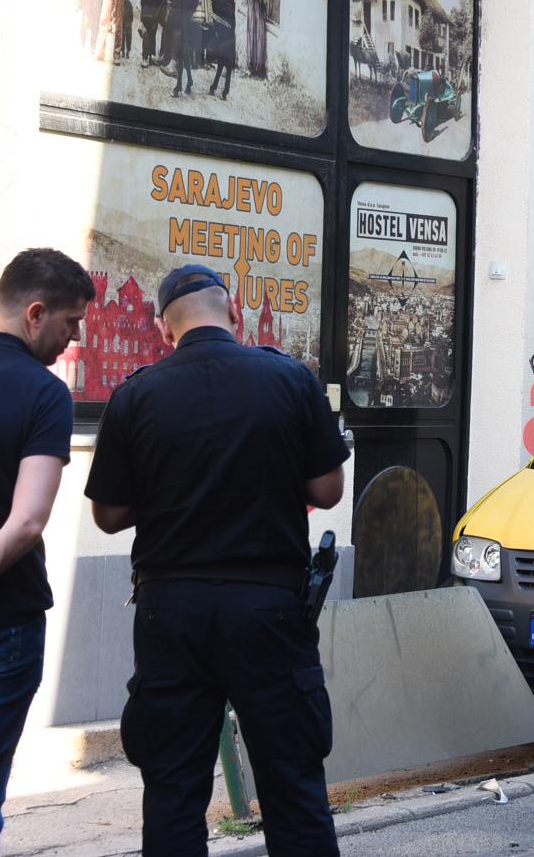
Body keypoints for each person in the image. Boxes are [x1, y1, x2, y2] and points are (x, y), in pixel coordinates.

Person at [86, 265, 347, 856]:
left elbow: (106, 513)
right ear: (232, 312)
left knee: (174, 791)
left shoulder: (136, 393)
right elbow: (328, 491)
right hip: (269, 610)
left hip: (170, 612)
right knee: (294, 786)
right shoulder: (289, 379)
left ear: (161, 328)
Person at [0, 248, 96, 855]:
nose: (72, 339)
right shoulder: (43, 393)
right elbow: (28, 522)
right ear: (35, 313)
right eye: (70, 323)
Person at [205, 0, 237, 100]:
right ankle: (218, 86)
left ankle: (224, 88)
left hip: (229, 10)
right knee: (221, 51)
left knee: (227, 52)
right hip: (220, 8)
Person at [246, 0, 268, 78]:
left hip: (258, 12)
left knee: (258, 37)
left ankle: (257, 67)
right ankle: (251, 65)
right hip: (252, 11)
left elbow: (262, 0)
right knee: (252, 36)